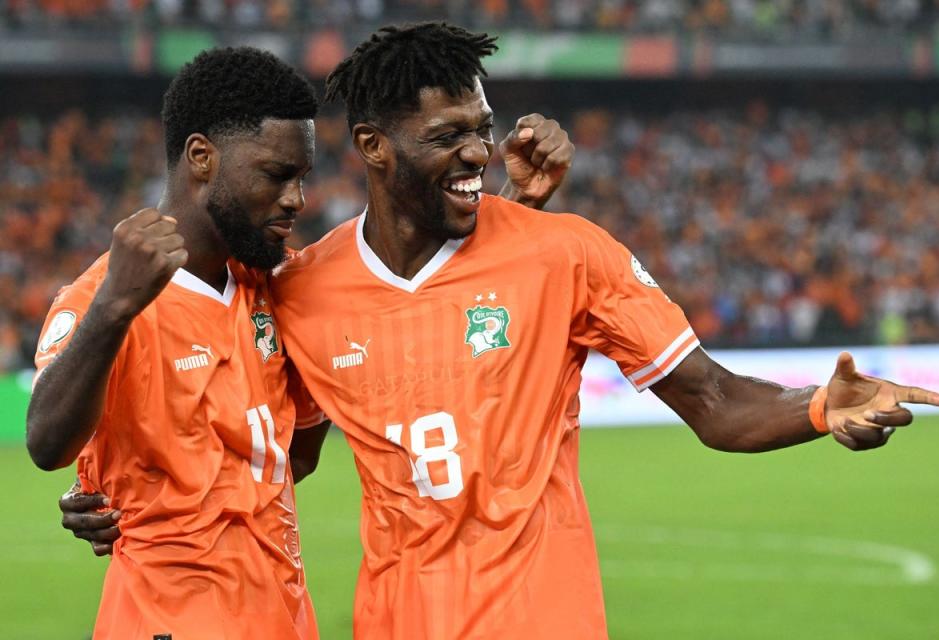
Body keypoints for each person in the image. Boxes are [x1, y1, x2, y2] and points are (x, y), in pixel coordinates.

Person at [60, 23, 939, 640]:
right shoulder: (303, 291)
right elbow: (283, 449)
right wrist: (128, 501)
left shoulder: (566, 254)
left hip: (543, 621)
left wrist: (817, 408)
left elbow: (714, 402)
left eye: (481, 130)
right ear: (373, 146)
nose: (479, 152)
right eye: (449, 134)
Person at [31, 42, 572, 638]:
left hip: (282, 615)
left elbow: (311, 438)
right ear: (202, 157)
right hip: (169, 619)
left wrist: (516, 214)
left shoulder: (276, 286)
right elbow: (46, 443)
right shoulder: (103, 296)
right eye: (276, 175)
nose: (297, 198)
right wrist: (113, 308)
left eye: (302, 177)